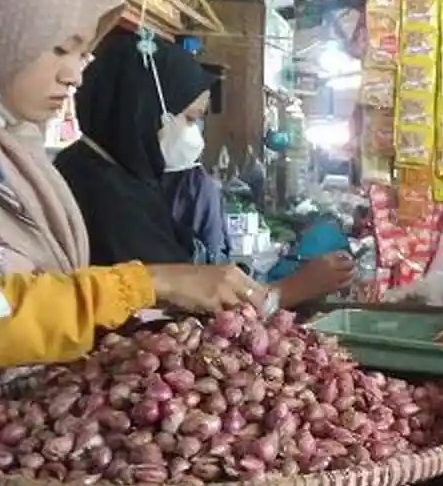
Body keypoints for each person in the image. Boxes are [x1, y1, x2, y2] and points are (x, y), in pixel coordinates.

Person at [0, 0, 264, 376]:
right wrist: (149, 281)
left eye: (82, 55)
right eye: (60, 48)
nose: (74, 75)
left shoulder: (17, 156)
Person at [57, 33, 355, 308]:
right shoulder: (105, 196)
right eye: (190, 119)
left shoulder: (120, 177)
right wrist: (289, 290)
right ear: (142, 109)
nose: (196, 135)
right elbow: (172, 314)